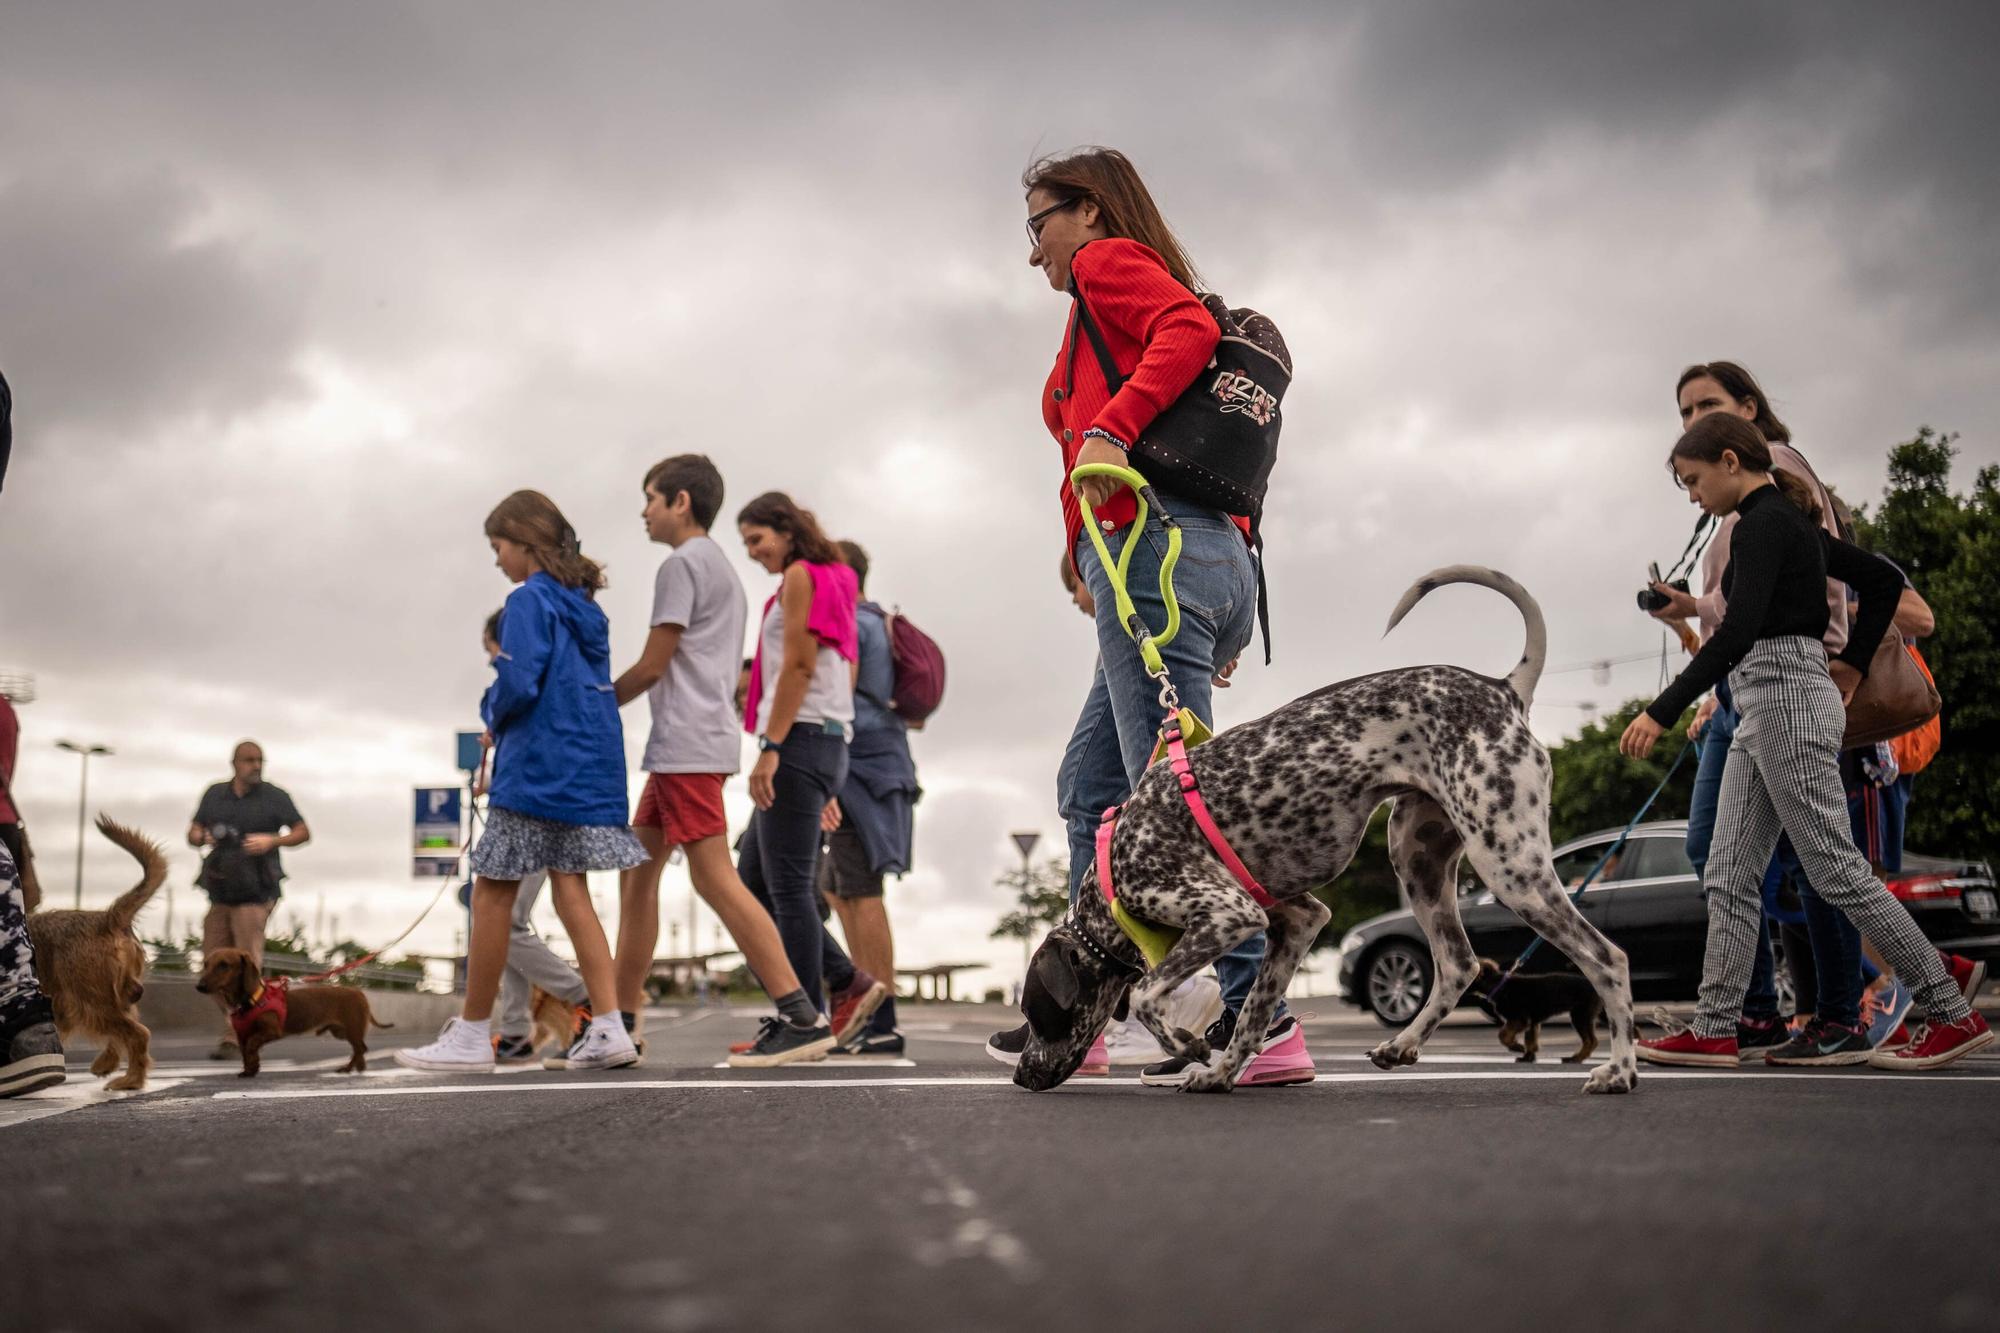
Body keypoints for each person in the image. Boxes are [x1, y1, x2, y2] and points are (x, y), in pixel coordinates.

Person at [986, 145, 1310, 1088]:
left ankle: (1263, 1016)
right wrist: (1084, 535)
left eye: (1038, 222)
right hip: (1173, 556)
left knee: (1175, 802)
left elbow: (1180, 333)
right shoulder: (1095, 298)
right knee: (1091, 789)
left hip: (1156, 560)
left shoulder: (1106, 264)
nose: (1034, 249)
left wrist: (1108, 430)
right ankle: (1098, 1008)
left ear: (1087, 212)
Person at [1623, 414, 1990, 1070]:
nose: (1691, 495)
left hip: (1788, 697)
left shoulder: (1767, 525)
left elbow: (1738, 634)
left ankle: (1948, 1010)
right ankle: (1714, 1027)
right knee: (1732, 871)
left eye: (1693, 479)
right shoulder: (1784, 527)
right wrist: (1845, 659)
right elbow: (1877, 583)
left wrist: (1662, 710)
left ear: (1732, 460)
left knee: (1833, 867)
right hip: (1763, 704)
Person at [397, 491, 641, 1072]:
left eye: (499, 546)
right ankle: (609, 1027)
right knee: (571, 887)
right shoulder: (585, 607)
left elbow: (519, 680)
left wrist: (492, 714)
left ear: (526, 543)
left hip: (538, 767)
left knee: (492, 891)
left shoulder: (527, 600)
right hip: (587, 766)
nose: (497, 559)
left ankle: (472, 1034)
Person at [611, 457, 835, 1067]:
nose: (644, 511)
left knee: (713, 877)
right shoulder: (723, 570)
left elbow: (655, 663)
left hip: (686, 744)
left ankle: (801, 1015)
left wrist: (593, 704)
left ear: (680, 502)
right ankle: (618, 1024)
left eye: (650, 498)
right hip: (684, 746)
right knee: (637, 879)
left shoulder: (681, 564)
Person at [736, 492, 887, 1043]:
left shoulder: (803, 577)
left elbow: (798, 667)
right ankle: (843, 981)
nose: (754, 552)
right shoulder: (835, 580)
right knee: (752, 878)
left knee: (788, 886)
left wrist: (772, 747)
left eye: (757, 539)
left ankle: (803, 1020)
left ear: (787, 529)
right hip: (822, 742)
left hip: (800, 739)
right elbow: (838, 674)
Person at [469, 611, 593, 1066]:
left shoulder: (523, 680)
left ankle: (583, 995)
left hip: (535, 810)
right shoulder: (546, 679)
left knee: (503, 922)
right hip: (540, 804)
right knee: (509, 919)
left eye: (492, 651)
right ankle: (518, 1029)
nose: (493, 663)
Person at [815, 539, 921, 1056]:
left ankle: (882, 1018)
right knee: (839, 888)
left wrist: (826, 775)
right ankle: (869, 1008)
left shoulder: (853, 622)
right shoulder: (876, 618)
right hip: (877, 761)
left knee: (860, 890)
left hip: (861, 765)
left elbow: (839, 701)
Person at [190, 740, 310, 1057]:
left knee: (246, 962)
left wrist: (272, 840)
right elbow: (193, 830)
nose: (255, 766)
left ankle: (236, 1033)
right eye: (249, 760)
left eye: (260, 760)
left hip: (257, 891)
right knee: (211, 963)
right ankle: (237, 1019)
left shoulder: (275, 796)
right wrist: (201, 836)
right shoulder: (215, 793)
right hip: (220, 890)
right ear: (234, 763)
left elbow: (303, 831)